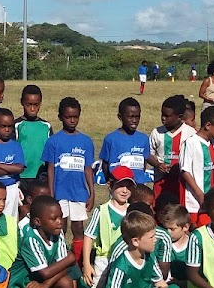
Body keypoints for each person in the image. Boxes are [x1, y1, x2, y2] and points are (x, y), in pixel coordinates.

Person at [10, 195, 78, 288]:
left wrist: (45, 285)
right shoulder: (31, 239)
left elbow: (63, 267)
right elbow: (47, 272)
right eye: (53, 218)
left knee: (66, 283)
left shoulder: (57, 234)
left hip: (37, 285)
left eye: (60, 216)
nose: (59, 221)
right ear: (37, 222)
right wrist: (71, 257)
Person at [43, 97, 95, 253]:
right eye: (68, 117)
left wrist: (92, 193)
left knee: (78, 227)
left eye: (75, 117)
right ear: (60, 117)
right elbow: (50, 169)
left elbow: (88, 169)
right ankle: (60, 256)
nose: (72, 120)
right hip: (60, 192)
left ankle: (79, 260)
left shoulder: (86, 141)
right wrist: (51, 193)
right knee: (60, 226)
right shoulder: (54, 141)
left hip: (79, 192)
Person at [81, 166, 135, 288]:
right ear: (110, 185)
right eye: (121, 186)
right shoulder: (101, 211)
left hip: (127, 259)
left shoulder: (133, 211)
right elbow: (89, 237)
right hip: (104, 259)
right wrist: (87, 264)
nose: (125, 190)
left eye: (128, 186)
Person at [149, 94, 199, 210]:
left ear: (179, 117)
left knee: (178, 212)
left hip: (182, 183)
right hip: (160, 181)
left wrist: (181, 168)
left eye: (167, 116)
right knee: (160, 210)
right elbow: (149, 154)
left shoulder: (190, 133)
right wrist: (157, 164)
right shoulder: (157, 133)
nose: (163, 118)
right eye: (162, 114)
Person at [180, 106, 214, 217]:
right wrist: (200, 194)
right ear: (208, 125)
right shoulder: (191, 143)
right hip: (195, 201)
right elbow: (185, 171)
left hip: (213, 199)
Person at [100, 97, 151, 184]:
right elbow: (105, 165)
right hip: (119, 188)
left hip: (138, 188)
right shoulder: (111, 139)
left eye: (137, 117)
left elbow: (144, 164)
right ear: (120, 117)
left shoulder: (144, 139)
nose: (134, 120)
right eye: (130, 117)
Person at [14, 84, 51, 183]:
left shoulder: (46, 126)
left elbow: (50, 151)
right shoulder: (16, 125)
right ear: (22, 102)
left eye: (36, 105)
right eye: (28, 104)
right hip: (22, 175)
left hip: (42, 175)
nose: (32, 109)